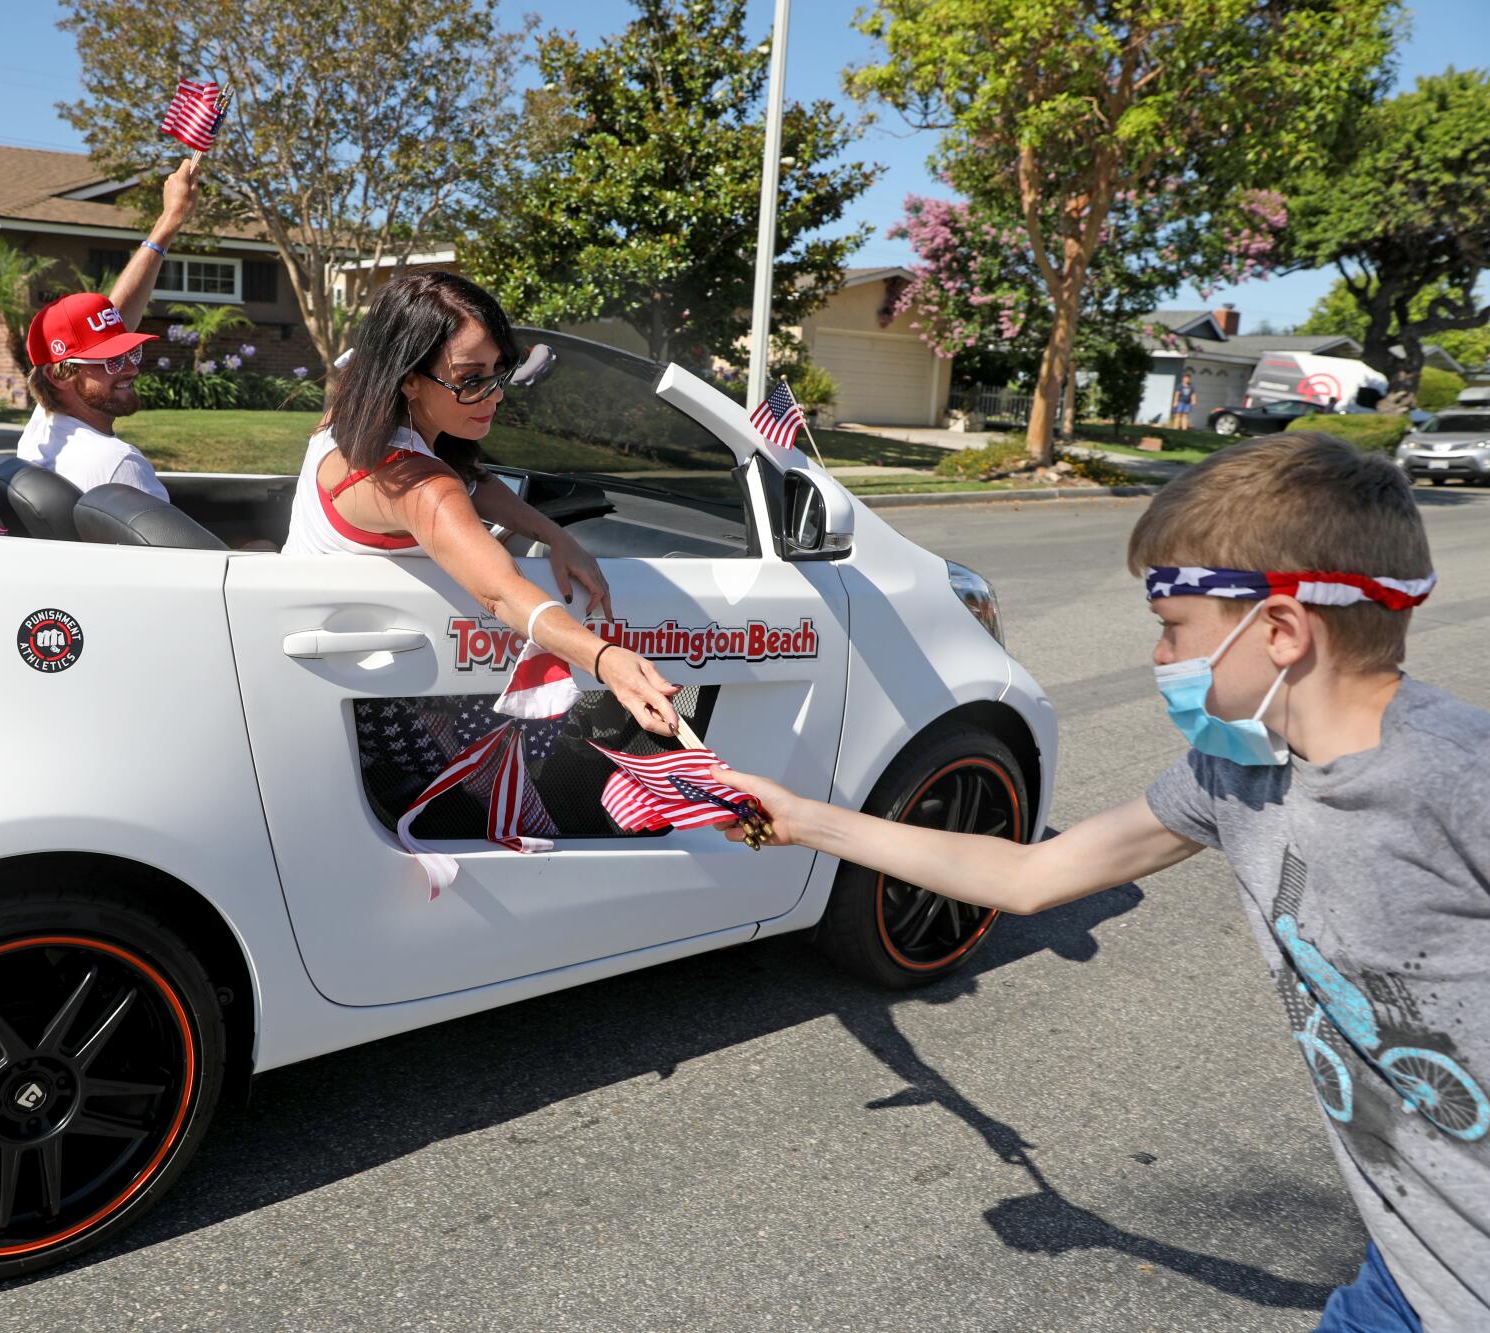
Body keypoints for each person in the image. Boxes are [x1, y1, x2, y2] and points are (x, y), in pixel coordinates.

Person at [716, 433, 1485, 1332]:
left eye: (1173, 626)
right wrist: (807, 820)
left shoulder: (1458, 780)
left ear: (1279, 629)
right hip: (1406, 1265)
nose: (1161, 656)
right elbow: (1032, 873)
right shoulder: (1232, 773)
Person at [284, 270, 680, 736]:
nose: (496, 394)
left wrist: (554, 536)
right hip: (374, 705)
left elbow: (475, 481)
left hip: (319, 668)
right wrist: (604, 658)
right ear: (408, 379)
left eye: (498, 371)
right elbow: (500, 591)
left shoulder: (351, 417)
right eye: (470, 379)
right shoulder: (420, 485)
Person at [16, 158, 201, 497]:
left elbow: (114, 318)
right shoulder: (119, 465)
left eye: (131, 351)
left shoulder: (47, 428)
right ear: (61, 374)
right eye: (112, 360)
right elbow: (182, 553)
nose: (131, 366)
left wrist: (169, 221)